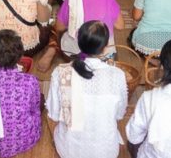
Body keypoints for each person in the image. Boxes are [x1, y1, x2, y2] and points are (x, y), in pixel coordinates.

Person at [47, 21, 128, 158]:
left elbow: (54, 114)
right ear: (105, 47)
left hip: (69, 150)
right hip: (106, 151)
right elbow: (119, 114)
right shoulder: (117, 75)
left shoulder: (61, 73)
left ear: (78, 43)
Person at [38, 0, 124, 72]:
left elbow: (59, 28)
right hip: (104, 51)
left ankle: (52, 50)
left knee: (53, 28)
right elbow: (120, 26)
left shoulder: (71, 0)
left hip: (77, 50)